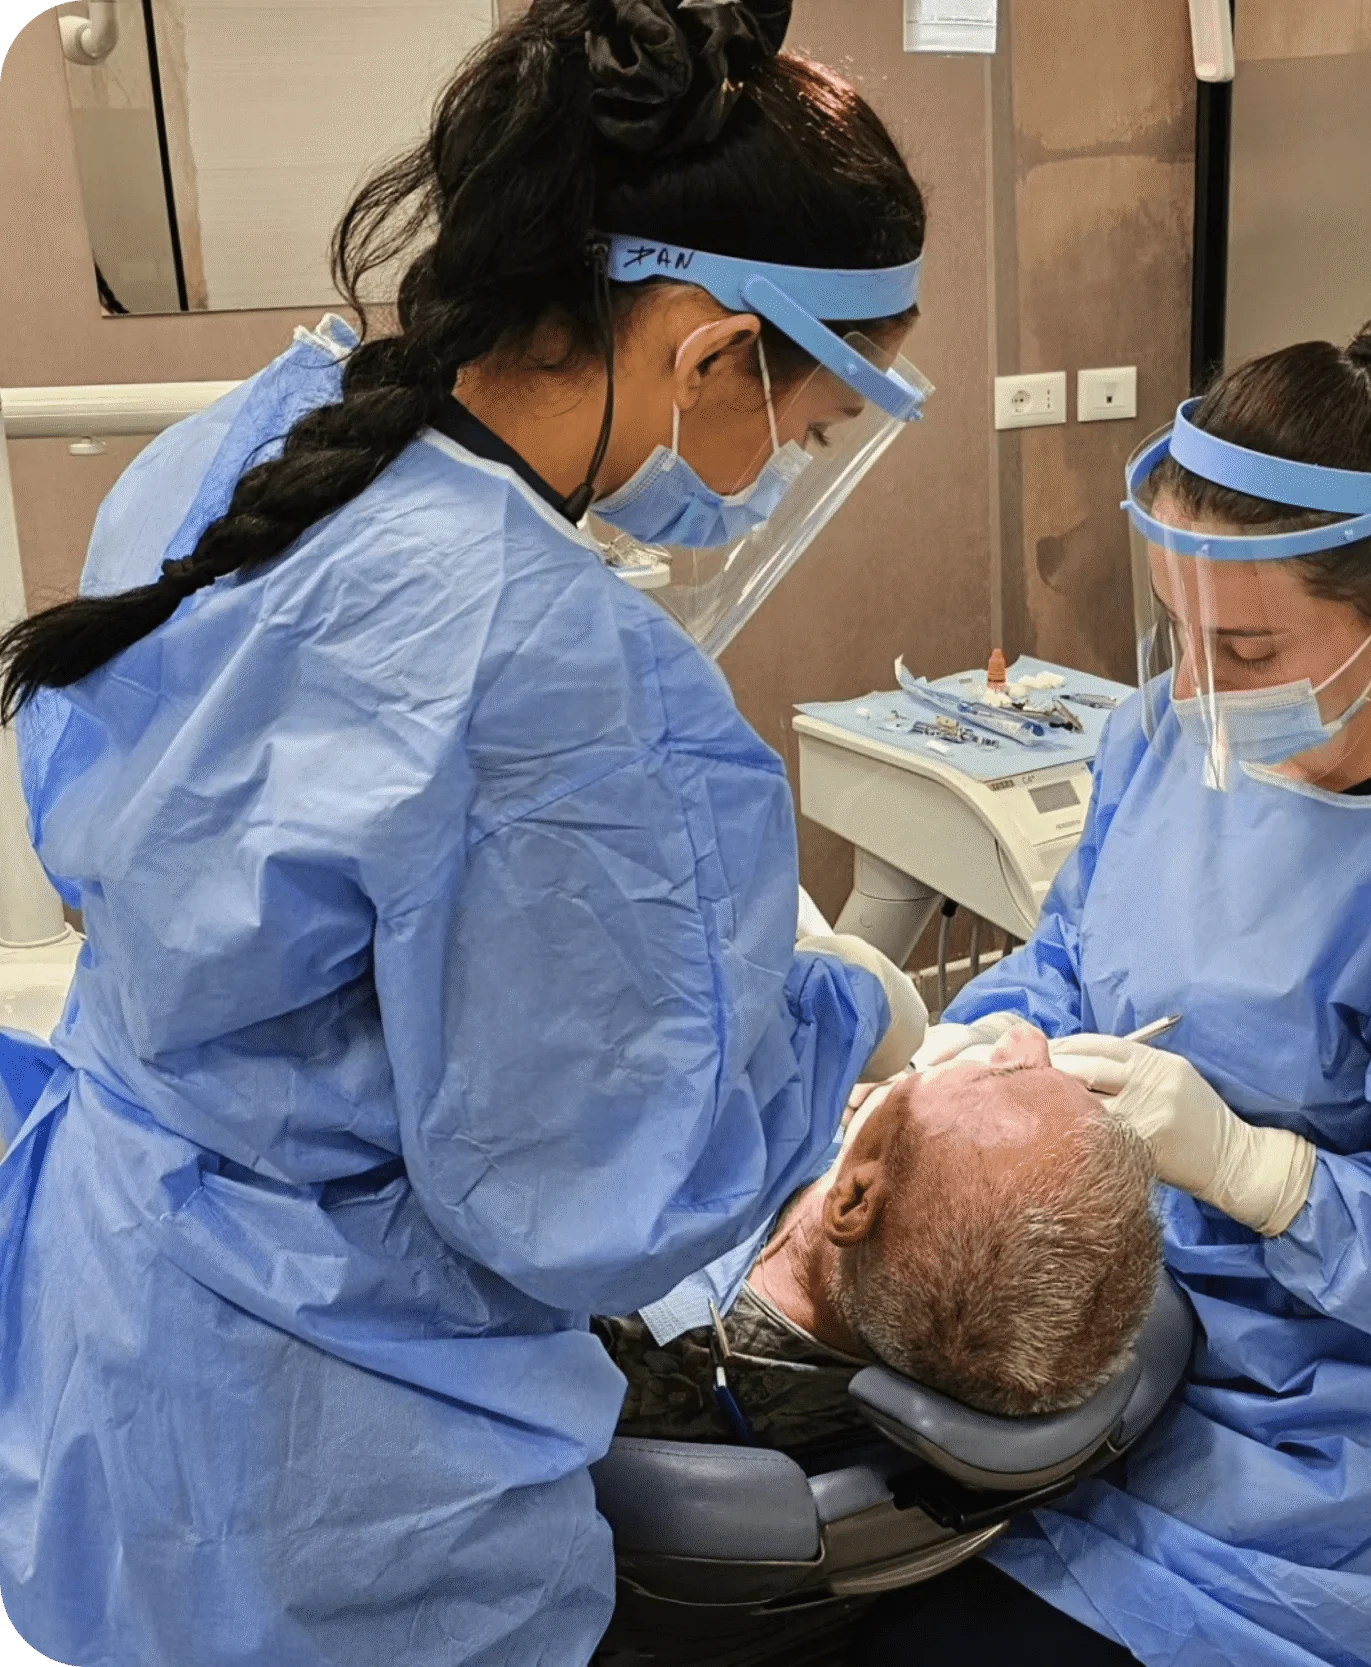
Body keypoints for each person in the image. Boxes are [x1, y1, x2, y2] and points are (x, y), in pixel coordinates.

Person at [0, 4, 935, 1665]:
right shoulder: (565, 676)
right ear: (712, 351)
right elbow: (596, 1199)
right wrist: (839, 1015)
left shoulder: (248, 440)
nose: (776, 472)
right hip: (338, 1451)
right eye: (797, 435)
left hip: (117, 1315)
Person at [853, 319, 1371, 1667]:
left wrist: (1267, 1174)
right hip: (1112, 1309)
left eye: (1245, 651)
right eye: (1176, 628)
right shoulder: (1171, 730)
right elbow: (1074, 945)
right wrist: (988, 1031)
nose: (1191, 686)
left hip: (1319, 1426)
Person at [594, 1021, 1163, 1449]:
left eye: (1004, 1075)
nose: (1026, 1039)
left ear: (855, 1201)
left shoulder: (630, 1330)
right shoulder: (897, 1300)